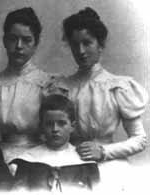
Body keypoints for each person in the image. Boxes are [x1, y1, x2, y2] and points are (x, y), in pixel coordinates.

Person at [45, 7, 148, 191]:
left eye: (87, 43)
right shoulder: (62, 88)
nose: (81, 51)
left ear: (100, 44)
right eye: (75, 44)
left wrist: (103, 152)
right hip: (70, 166)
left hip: (109, 168)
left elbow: (140, 139)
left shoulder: (118, 87)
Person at [0, 7, 51, 163]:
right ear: (4, 41)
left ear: (36, 43)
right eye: (13, 39)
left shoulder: (47, 85)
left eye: (27, 40)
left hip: (41, 158)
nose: (19, 46)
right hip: (0, 158)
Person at [9, 95, 100, 192]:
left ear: (72, 126)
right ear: (41, 126)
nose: (55, 129)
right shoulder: (28, 160)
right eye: (49, 124)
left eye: (61, 123)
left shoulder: (84, 162)